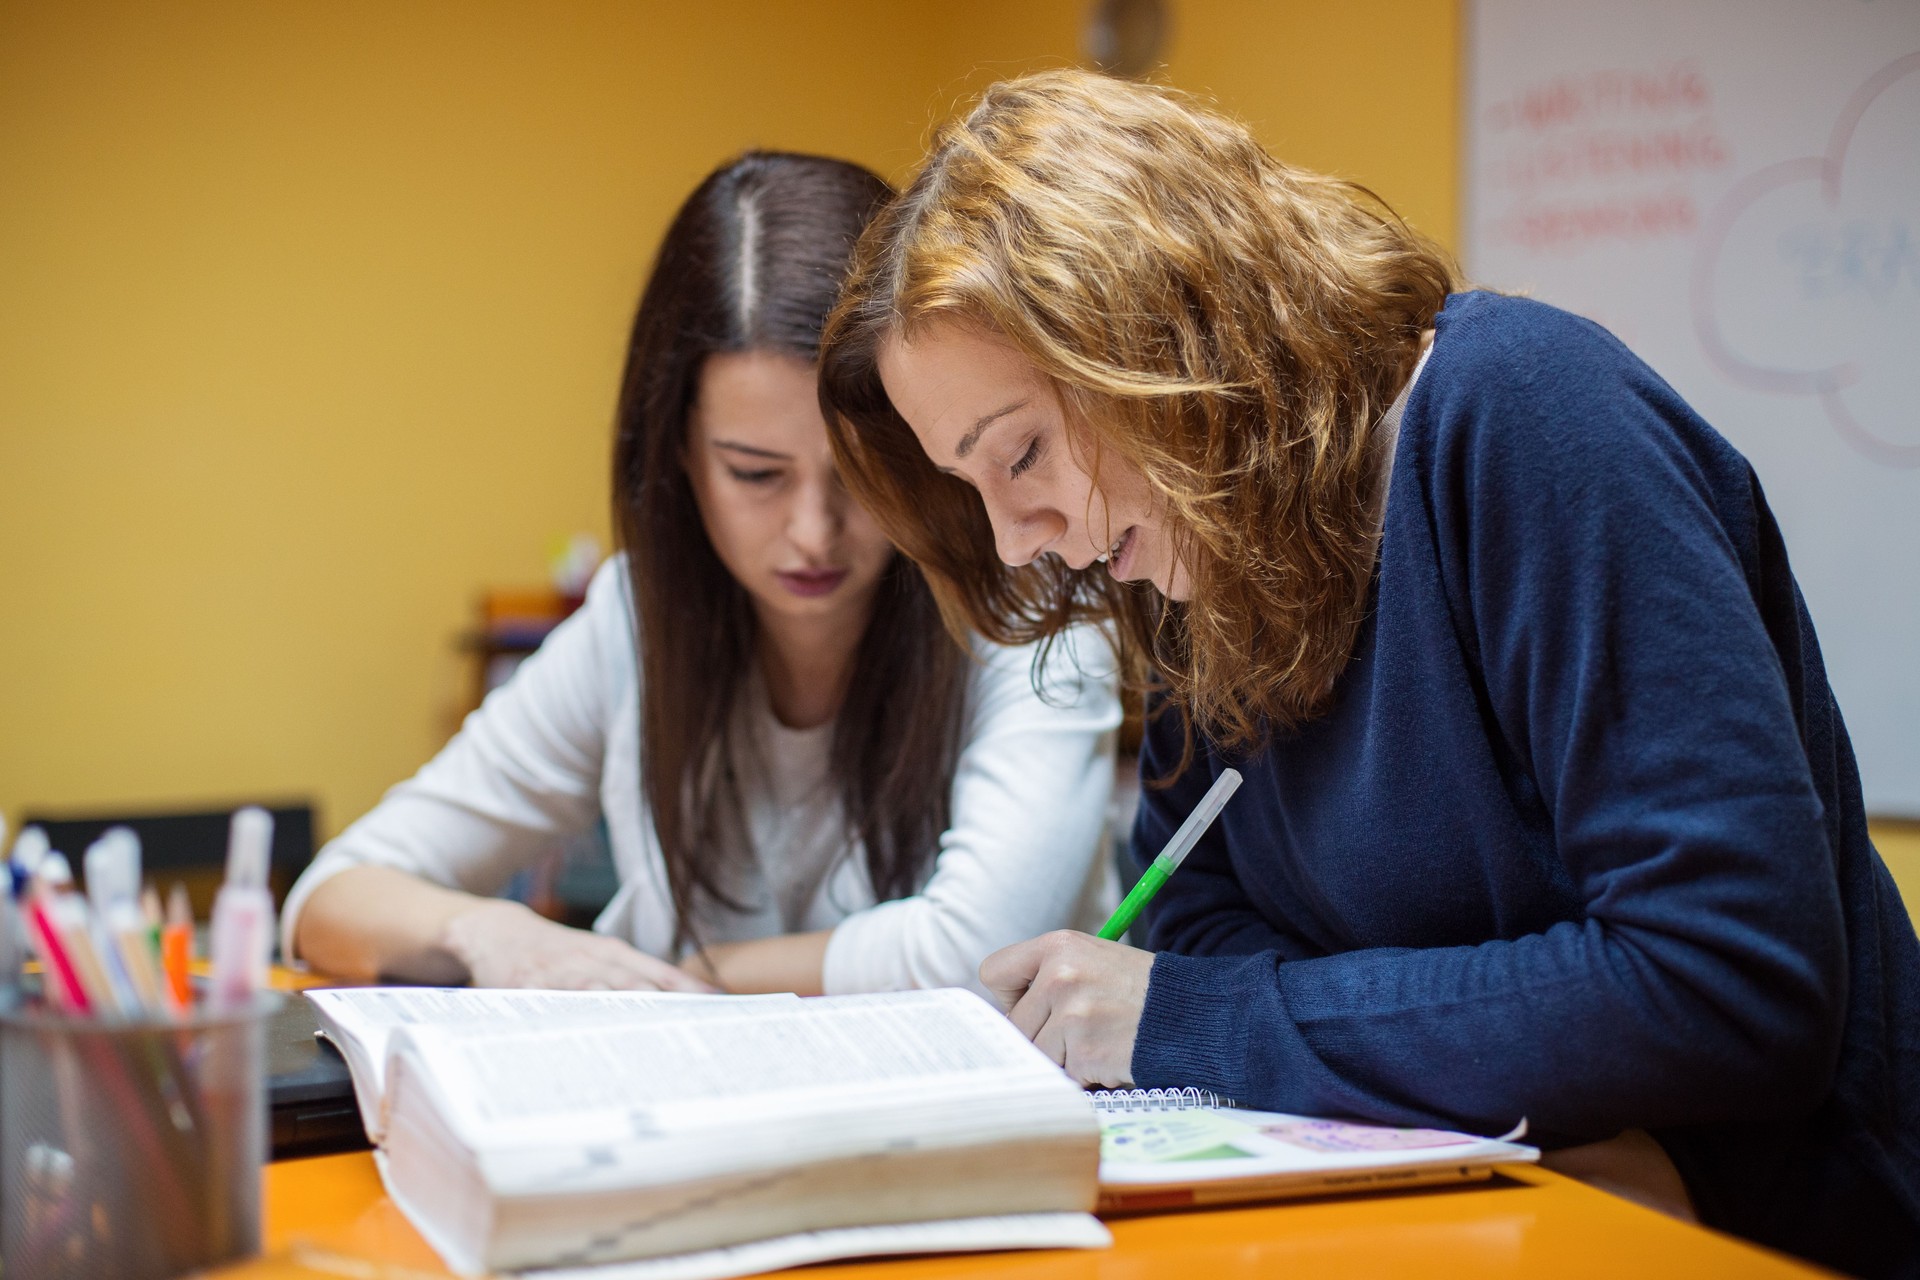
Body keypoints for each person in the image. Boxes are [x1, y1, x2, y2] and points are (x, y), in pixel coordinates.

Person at [817, 71, 1920, 1276]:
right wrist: (1506, 1045)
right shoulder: (1192, 554)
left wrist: (1208, 1019)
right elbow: (1190, 915)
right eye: (974, 490)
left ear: (1154, 328)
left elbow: (1727, 981)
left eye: (1019, 451)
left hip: (1767, 1227)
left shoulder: (1523, 417)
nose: (1017, 538)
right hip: (1490, 1193)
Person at [285, 151, 1120, 999]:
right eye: (756, 474)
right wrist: (491, 932)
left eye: (859, 475)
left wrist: (702, 974)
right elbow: (331, 895)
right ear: (682, 455)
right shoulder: (637, 620)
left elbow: (982, 952)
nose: (812, 534)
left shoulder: (1031, 610)